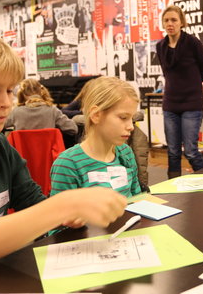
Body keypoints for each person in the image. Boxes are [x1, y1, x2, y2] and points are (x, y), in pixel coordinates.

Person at [0, 30, 127, 291]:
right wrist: (63, 206)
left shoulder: (0, 147)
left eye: (9, 90)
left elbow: (33, 203)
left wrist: (68, 215)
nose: (6, 103)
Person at [50, 76, 143, 206]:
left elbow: (136, 201)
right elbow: (57, 222)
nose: (131, 126)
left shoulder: (126, 153)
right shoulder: (68, 164)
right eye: (123, 117)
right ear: (96, 115)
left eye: (131, 118)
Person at [156, 5, 203, 178]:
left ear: (181, 22)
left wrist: (190, 85)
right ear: (163, 24)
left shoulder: (192, 42)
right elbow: (167, 72)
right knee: (172, 152)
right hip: (170, 104)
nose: (170, 23)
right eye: (166, 20)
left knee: (191, 151)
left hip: (192, 104)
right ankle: (173, 188)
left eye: (174, 20)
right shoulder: (160, 46)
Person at [5, 78, 78, 136]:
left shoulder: (16, 112)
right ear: (41, 91)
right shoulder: (52, 110)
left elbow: (1, 126)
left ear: (21, 94)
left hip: (22, 154)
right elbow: (73, 128)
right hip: (48, 154)